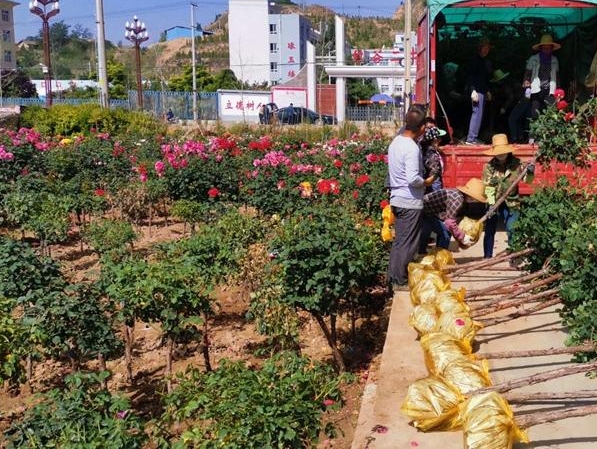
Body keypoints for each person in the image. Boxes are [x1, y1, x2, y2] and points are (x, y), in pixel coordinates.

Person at [386, 107, 430, 291]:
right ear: (421, 128)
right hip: (409, 201)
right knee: (408, 243)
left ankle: (393, 278)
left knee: (400, 241)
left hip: (397, 198)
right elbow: (413, 179)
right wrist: (425, 181)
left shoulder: (396, 142)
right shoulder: (411, 148)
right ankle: (399, 281)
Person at [481, 134, 535, 258]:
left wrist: (530, 172)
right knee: (489, 229)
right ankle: (487, 257)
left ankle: (513, 256)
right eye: (498, 152)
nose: (500, 155)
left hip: (512, 200)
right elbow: (488, 187)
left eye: (502, 152)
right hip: (494, 201)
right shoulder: (489, 167)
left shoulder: (517, 164)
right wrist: (491, 204)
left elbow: (528, 181)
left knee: (512, 229)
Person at [419, 178, 487, 254]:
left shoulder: (458, 194)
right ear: (471, 196)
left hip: (428, 211)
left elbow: (449, 216)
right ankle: (440, 256)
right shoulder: (458, 199)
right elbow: (449, 223)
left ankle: (427, 253)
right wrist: (462, 237)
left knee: (435, 231)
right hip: (422, 211)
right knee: (445, 233)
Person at [523, 34, 561, 120]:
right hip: (536, 89)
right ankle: (534, 128)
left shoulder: (554, 60)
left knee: (552, 113)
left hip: (550, 90)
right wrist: (527, 88)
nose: (546, 50)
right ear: (541, 48)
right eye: (544, 48)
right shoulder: (533, 59)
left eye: (548, 48)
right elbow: (527, 75)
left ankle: (549, 128)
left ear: (552, 48)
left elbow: (557, 77)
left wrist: (558, 91)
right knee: (535, 114)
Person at [464, 37, 493, 145]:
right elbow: (471, 76)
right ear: (480, 48)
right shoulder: (475, 60)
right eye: (485, 48)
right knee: (477, 113)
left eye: (488, 48)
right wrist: (473, 91)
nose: (486, 50)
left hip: (482, 90)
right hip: (477, 91)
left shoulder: (483, 61)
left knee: (479, 114)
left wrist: (487, 91)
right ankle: (471, 139)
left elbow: (483, 79)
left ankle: (473, 138)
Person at [421, 125, 447, 193]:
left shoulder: (424, 150)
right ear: (435, 140)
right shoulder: (431, 153)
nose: (440, 140)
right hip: (434, 184)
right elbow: (434, 172)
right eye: (439, 138)